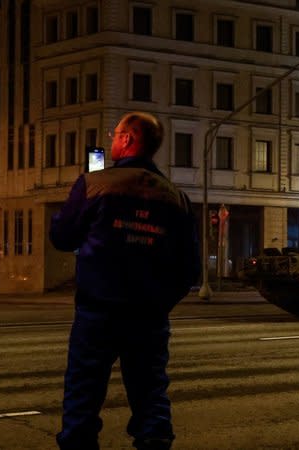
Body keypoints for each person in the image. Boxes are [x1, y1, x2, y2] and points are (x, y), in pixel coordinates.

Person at [50, 112, 200, 449]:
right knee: (151, 399)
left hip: (97, 312)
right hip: (148, 316)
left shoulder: (94, 184)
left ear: (129, 139)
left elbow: (61, 237)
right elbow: (190, 269)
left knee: (83, 399)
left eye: (115, 134)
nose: (112, 139)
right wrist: (159, 303)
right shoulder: (176, 198)